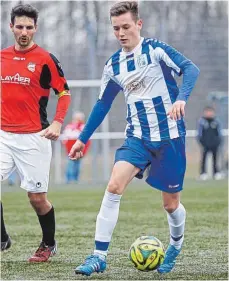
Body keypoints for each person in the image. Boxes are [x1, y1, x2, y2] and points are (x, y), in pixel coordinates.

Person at [69, 1, 200, 276]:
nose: (121, 33)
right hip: (137, 138)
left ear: (138, 24)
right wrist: (82, 138)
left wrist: (181, 99)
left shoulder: (156, 50)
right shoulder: (113, 65)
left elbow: (191, 69)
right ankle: (98, 256)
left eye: (126, 26)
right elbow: (103, 104)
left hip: (169, 138)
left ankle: (176, 244)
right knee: (114, 186)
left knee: (171, 204)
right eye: (116, 28)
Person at [1, 4, 71, 262]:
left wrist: (57, 122)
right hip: (3, 136)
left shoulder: (45, 59)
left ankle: (48, 244)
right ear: (11, 27)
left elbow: (64, 92)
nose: (24, 31)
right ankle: (1, 238)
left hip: (35, 138)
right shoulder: (2, 57)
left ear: (35, 29)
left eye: (29, 27)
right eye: (19, 26)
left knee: (37, 198)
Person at [62, 112, 91, 183]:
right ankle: (69, 180)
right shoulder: (69, 127)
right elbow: (65, 138)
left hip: (80, 151)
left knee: (77, 166)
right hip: (70, 151)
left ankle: (75, 180)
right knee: (71, 165)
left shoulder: (83, 127)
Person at [197, 106, 223, 180]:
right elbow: (199, 134)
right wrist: (202, 143)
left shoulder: (216, 121)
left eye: (210, 112)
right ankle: (203, 173)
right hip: (205, 144)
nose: (209, 113)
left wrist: (218, 142)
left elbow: (219, 133)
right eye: (207, 112)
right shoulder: (202, 122)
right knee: (204, 159)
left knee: (215, 159)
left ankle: (216, 173)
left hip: (215, 144)